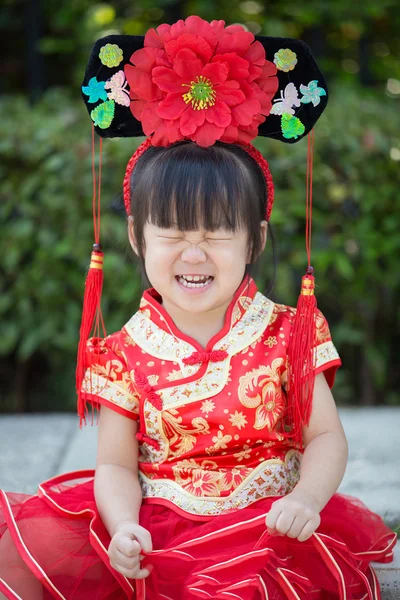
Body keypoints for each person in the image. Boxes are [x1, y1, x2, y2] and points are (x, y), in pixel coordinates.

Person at [0, 15, 397, 600]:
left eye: (217, 233)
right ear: (137, 238)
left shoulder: (288, 331)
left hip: (268, 527)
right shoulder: (125, 351)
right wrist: (123, 526)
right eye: (172, 233)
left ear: (254, 240)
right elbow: (113, 465)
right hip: (158, 523)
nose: (194, 252)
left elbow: (325, 439)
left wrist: (306, 499)